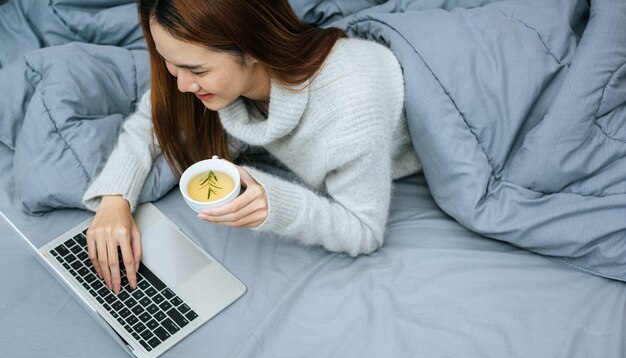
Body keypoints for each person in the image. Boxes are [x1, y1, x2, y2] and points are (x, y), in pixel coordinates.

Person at [83, 0, 421, 294]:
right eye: (171, 65)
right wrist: (114, 201)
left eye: (196, 69)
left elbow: (364, 231)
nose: (182, 85)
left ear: (252, 49)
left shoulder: (349, 112)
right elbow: (153, 117)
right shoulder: (201, 72)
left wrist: (278, 204)